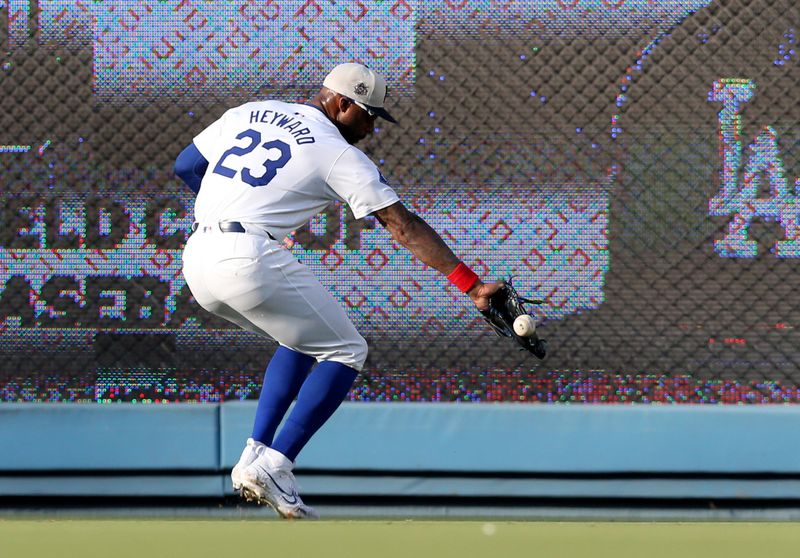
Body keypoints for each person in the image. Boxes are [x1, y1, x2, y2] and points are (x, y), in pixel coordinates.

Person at [174, 63, 502, 519]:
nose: (371, 128)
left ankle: (256, 454)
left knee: (304, 339)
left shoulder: (250, 111)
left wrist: (225, 209)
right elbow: (401, 225)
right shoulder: (335, 151)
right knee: (348, 350)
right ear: (342, 103)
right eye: (368, 115)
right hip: (248, 256)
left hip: (197, 255)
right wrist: (471, 285)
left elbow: (187, 165)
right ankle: (277, 462)